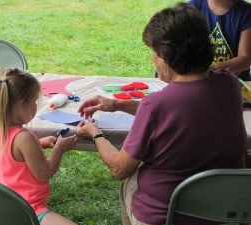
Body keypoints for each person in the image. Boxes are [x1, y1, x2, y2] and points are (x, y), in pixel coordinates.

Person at [77, 3, 247, 225]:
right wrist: (117, 104)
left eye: (154, 53)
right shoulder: (230, 85)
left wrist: (96, 134)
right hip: (224, 209)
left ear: (167, 57)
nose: (152, 60)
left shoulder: (155, 105)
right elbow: (180, 110)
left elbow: (120, 168)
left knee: (129, 181)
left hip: (167, 215)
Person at [0, 68, 77, 225]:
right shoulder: (25, 138)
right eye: (35, 101)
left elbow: (11, 155)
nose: (36, 105)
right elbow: (45, 173)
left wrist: (39, 143)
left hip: (3, 202)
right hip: (28, 208)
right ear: (22, 105)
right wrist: (59, 149)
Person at [188, 0, 251, 81]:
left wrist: (212, 69)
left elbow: (245, 59)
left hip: (237, 82)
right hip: (199, 80)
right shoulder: (192, 8)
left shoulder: (246, 12)